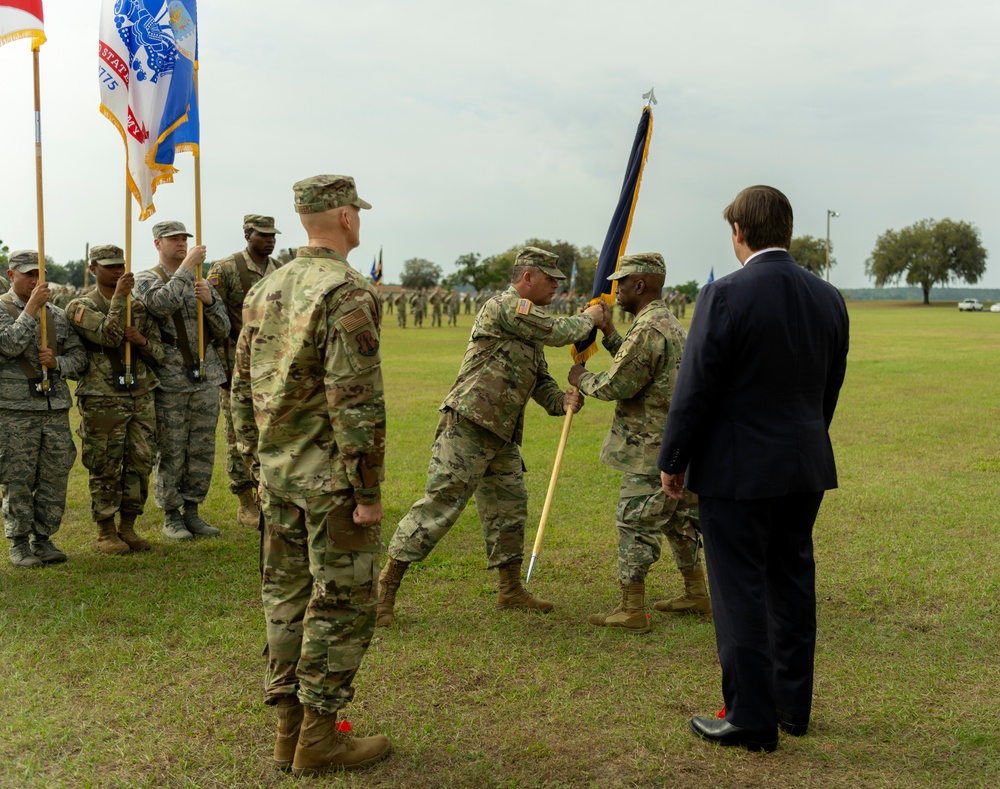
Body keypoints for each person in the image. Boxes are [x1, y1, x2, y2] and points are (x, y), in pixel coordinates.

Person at [658, 185, 849, 752]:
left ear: (738, 232)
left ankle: (750, 717)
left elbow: (696, 389)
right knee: (790, 583)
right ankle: (792, 705)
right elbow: (828, 386)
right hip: (804, 463)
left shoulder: (724, 295)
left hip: (738, 471)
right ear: (786, 231)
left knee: (739, 589)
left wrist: (673, 459)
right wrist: (808, 440)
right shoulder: (829, 296)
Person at [231, 174, 390, 775]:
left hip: (279, 476)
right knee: (341, 601)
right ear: (347, 218)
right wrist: (368, 490)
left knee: (286, 595)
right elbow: (355, 400)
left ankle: (287, 732)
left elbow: (241, 388)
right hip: (329, 482)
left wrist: (256, 462)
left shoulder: (267, 287)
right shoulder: (346, 291)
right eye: (358, 212)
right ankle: (319, 735)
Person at [377, 247, 608, 626]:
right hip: (468, 425)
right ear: (528, 277)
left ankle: (510, 589)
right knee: (439, 507)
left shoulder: (528, 327)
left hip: (501, 435)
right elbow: (557, 331)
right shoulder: (504, 307)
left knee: (509, 509)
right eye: (551, 279)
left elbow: (540, 381)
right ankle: (386, 588)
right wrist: (590, 318)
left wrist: (561, 400)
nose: (556, 287)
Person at [568, 253, 709, 634]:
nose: (616, 291)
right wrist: (611, 334)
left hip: (651, 450)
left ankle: (631, 608)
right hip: (675, 445)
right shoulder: (667, 323)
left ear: (640, 285)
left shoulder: (648, 329)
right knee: (680, 520)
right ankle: (697, 592)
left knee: (634, 521)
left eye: (622, 284)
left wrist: (580, 377)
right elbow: (640, 367)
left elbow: (619, 384)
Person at [134, 221, 230, 541]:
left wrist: (211, 303)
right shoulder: (146, 279)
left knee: (201, 448)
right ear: (157, 244)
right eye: (173, 239)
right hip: (170, 376)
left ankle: (192, 509)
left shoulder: (201, 281)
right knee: (172, 449)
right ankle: (171, 515)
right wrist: (187, 268)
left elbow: (224, 328)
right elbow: (159, 305)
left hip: (205, 375)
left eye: (184, 239)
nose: (181, 244)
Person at [67, 244, 163, 554]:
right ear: (93, 269)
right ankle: (105, 531)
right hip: (103, 396)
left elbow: (159, 354)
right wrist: (121, 297)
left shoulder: (140, 307)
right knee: (104, 463)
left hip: (140, 393)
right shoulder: (80, 306)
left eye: (121, 264)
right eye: (109, 266)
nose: (117, 270)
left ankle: (128, 527)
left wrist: (142, 340)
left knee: (140, 462)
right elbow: (108, 336)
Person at [0, 250, 87, 567]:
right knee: (18, 478)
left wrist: (58, 362)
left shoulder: (59, 315)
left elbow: (80, 360)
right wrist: (32, 309)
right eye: (28, 274)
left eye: (39, 273)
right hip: (15, 410)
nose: (36, 279)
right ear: (12, 275)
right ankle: (19, 544)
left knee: (54, 477)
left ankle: (43, 538)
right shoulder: (2, 308)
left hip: (53, 409)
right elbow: (9, 345)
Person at [206, 214, 284, 528]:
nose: (270, 239)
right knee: (238, 434)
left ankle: (271, 493)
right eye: (263, 235)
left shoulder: (280, 270)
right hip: (235, 369)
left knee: (272, 431)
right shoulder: (225, 270)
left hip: (274, 368)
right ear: (247, 234)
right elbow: (212, 320)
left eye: (273, 235)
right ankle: (245, 500)